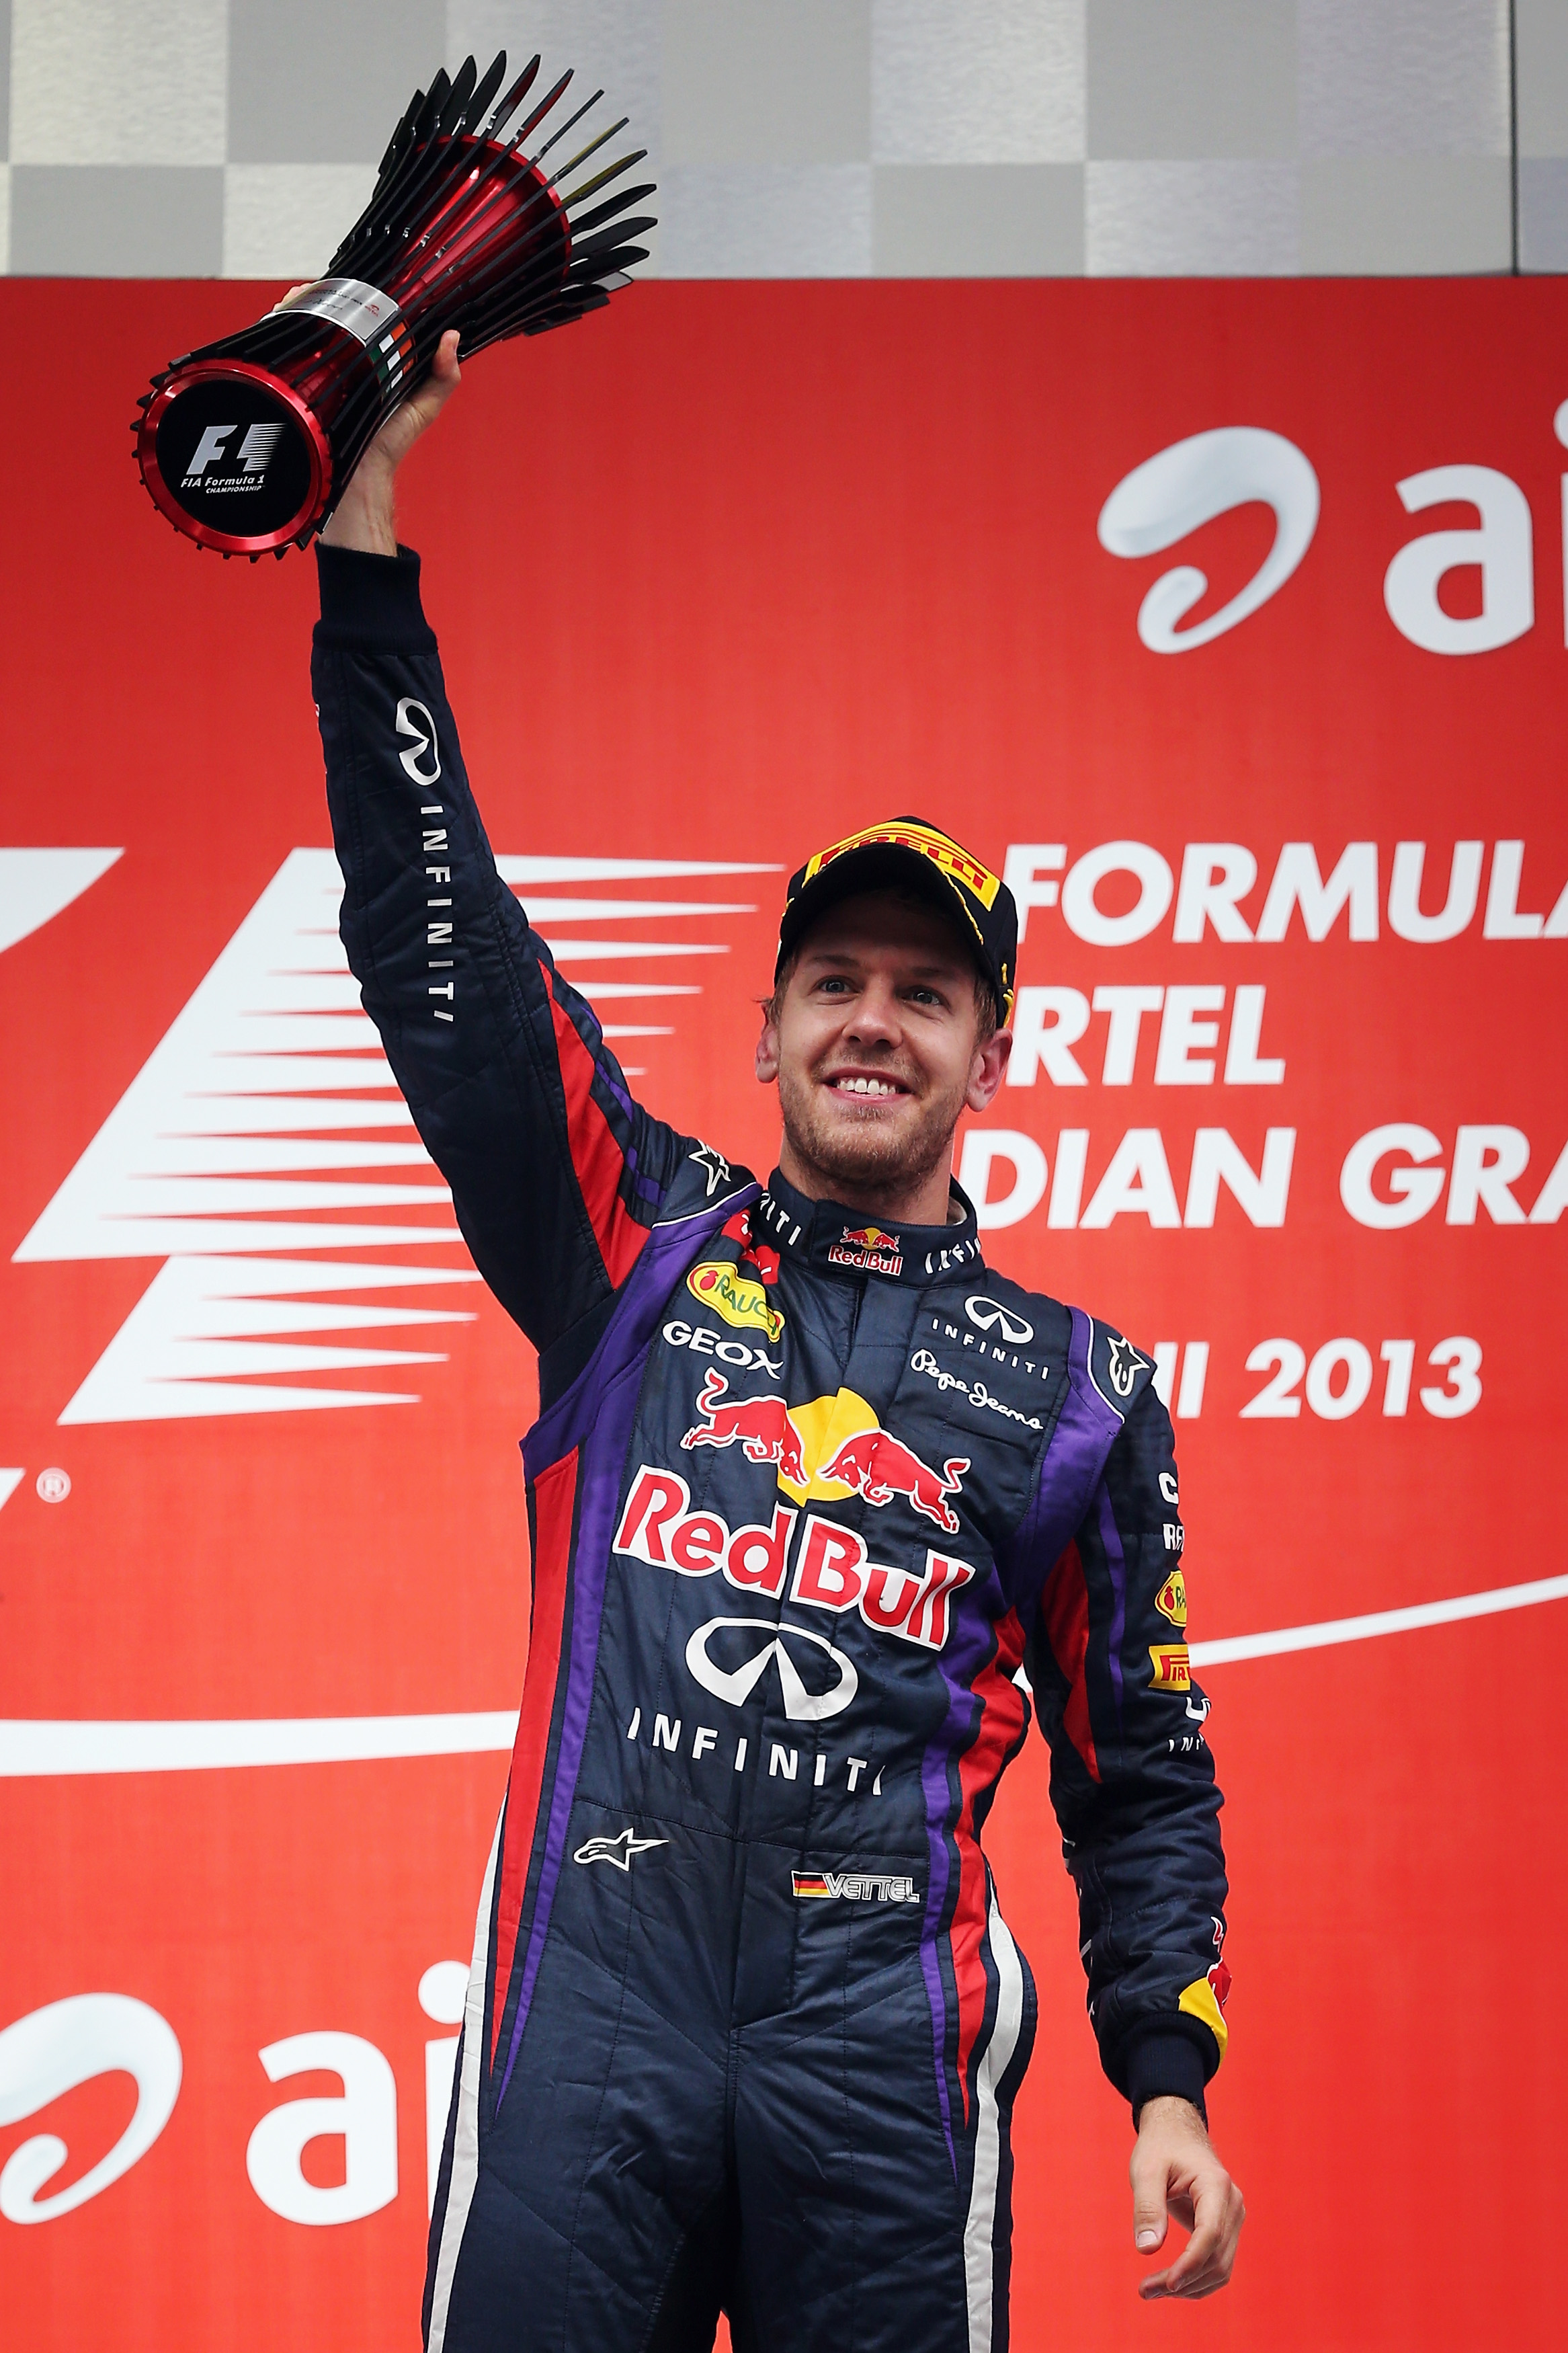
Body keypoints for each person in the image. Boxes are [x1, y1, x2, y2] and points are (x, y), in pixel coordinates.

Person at [313, 330, 1242, 2353]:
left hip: (881, 2059)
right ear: (768, 1029)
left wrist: (1166, 2076)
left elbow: (1145, 1771)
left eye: (925, 993)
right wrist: (364, 560)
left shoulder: (1083, 1392)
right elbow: (442, 949)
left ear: (990, 1055)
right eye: (833, 980)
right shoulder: (633, 1238)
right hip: (593, 2018)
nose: (872, 1022)